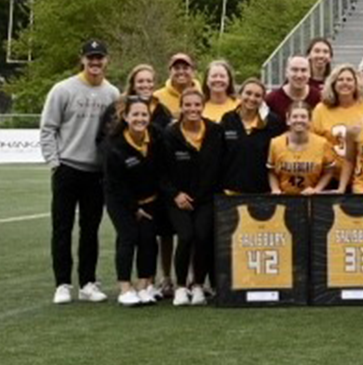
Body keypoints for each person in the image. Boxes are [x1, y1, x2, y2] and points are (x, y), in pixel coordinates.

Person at [41, 40, 120, 304]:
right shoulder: (63, 90)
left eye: (100, 58)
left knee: (91, 228)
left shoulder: (112, 93)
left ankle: (88, 282)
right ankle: (62, 283)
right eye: (91, 58)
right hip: (68, 168)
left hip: (96, 173)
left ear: (107, 60)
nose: (95, 63)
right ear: (83, 59)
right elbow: (48, 128)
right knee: (62, 228)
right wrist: (54, 162)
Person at [158, 88, 221, 306]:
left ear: (203, 106)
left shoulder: (215, 131)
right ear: (181, 107)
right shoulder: (170, 134)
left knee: (203, 237)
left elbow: (220, 166)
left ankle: (198, 285)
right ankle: (181, 287)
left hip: (205, 198)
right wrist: (175, 194)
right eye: (188, 105)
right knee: (185, 237)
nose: (193, 109)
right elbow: (161, 171)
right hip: (178, 199)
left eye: (197, 105)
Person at [104, 96, 162, 306]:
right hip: (121, 201)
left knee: (148, 238)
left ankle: (143, 285)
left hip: (150, 199)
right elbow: (116, 184)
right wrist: (135, 208)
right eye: (135, 114)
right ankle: (125, 288)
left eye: (144, 114)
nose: (140, 118)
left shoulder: (156, 136)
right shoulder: (115, 146)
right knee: (128, 236)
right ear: (126, 117)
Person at [217, 79, 286, 196]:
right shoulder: (227, 119)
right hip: (231, 191)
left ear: (263, 99)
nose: (252, 98)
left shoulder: (273, 123)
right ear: (240, 94)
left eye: (257, 95)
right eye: (248, 93)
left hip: (263, 191)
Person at [267, 104, 339, 195]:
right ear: (288, 120)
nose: (299, 120)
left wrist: (317, 190)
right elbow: (271, 171)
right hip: (284, 196)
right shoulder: (276, 143)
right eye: (295, 116)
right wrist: (275, 189)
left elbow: (329, 171)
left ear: (309, 121)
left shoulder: (322, 143)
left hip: (311, 197)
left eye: (303, 117)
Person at [310, 63, 363, 167]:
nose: (345, 83)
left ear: (356, 84)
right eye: (340, 80)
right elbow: (313, 142)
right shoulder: (321, 109)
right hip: (330, 173)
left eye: (349, 80)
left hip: (361, 175)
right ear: (333, 84)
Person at [112, 63, 172, 136]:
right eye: (140, 81)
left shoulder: (163, 111)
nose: (145, 85)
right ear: (133, 85)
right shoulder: (117, 107)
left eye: (149, 81)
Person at [265, 55, 321, 121]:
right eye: (294, 70)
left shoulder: (319, 98)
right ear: (286, 73)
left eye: (303, 70)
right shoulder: (271, 100)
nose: (299, 75)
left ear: (310, 74)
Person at [153, 52, 198, 118]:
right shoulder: (157, 98)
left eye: (185, 68)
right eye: (177, 68)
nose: (181, 72)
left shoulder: (203, 95)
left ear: (193, 72)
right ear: (169, 72)